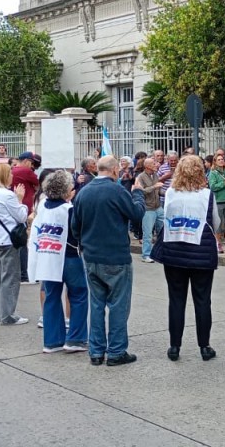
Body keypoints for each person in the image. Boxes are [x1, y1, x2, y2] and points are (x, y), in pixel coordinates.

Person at [71, 155, 146, 366]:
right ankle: (116, 351)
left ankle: (96, 351)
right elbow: (136, 214)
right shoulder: (117, 191)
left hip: (91, 256)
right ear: (114, 171)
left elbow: (75, 226)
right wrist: (138, 193)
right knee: (118, 305)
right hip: (115, 257)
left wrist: (85, 242)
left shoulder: (83, 192)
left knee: (96, 305)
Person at [151, 155, 219, 362]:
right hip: (200, 251)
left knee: (176, 299)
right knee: (202, 300)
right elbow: (214, 222)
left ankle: (175, 346)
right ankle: (204, 346)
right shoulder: (207, 194)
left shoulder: (171, 192)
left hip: (174, 249)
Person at [32, 170, 88, 353]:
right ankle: (76, 339)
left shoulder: (42, 206)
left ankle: (52, 341)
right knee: (78, 295)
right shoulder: (70, 209)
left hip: (47, 256)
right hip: (70, 257)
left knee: (51, 296)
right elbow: (79, 233)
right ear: (66, 192)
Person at [0, 163, 30, 325]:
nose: (12, 175)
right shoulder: (7, 195)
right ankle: (8, 315)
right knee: (10, 277)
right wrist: (20, 199)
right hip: (7, 239)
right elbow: (22, 216)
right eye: (9, 173)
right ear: (4, 175)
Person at [11, 152, 40, 285]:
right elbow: (38, 185)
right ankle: (25, 273)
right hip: (27, 208)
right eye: (32, 162)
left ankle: (18, 272)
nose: (33, 165)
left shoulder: (12, 170)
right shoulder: (26, 171)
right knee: (26, 241)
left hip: (13, 207)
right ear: (27, 161)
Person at [135, 158, 164, 263]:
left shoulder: (155, 175)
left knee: (163, 230)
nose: (156, 164)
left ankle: (160, 253)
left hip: (158, 207)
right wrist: (154, 186)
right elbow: (140, 191)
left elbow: (159, 191)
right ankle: (146, 255)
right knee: (147, 233)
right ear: (147, 166)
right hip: (148, 209)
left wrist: (169, 192)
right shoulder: (140, 177)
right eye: (153, 163)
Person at [207, 154, 225, 254]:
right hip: (218, 201)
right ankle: (218, 243)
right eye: (218, 159)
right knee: (218, 223)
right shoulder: (213, 173)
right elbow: (213, 187)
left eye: (222, 159)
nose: (221, 161)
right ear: (215, 161)